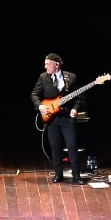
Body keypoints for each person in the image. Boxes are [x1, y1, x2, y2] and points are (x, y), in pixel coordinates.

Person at [33, 52, 86, 183]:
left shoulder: (71, 77)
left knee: (72, 146)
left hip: (67, 118)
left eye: (47, 64)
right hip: (52, 119)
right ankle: (58, 174)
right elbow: (34, 94)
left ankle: (76, 176)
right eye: (45, 64)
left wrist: (75, 108)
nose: (45, 67)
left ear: (56, 65)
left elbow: (80, 96)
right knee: (55, 147)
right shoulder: (43, 77)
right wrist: (40, 106)